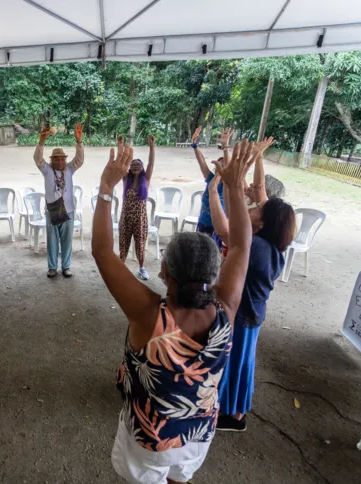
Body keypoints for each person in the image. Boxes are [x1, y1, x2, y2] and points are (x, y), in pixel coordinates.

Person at [93, 137, 258, 484]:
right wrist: (233, 187)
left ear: (165, 272)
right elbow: (242, 243)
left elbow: (102, 252)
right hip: (198, 434)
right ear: (214, 274)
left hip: (149, 438)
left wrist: (107, 187)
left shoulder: (148, 314)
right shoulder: (225, 308)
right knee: (179, 479)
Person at [209, 137, 297, 432]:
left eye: (260, 209)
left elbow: (224, 230)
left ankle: (231, 415)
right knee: (242, 362)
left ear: (264, 222)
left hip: (245, 316)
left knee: (235, 363)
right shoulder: (271, 243)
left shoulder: (256, 248)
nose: (256, 206)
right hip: (252, 314)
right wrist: (257, 157)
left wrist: (217, 189)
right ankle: (235, 412)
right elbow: (260, 192)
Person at [33, 122, 84, 278]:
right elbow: (37, 158)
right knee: (52, 241)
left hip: (68, 210)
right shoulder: (47, 170)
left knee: (67, 240)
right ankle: (52, 267)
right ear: (52, 160)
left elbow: (80, 160)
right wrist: (41, 142)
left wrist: (79, 141)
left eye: (62, 159)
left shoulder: (69, 169)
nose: (60, 162)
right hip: (52, 210)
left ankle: (66, 267)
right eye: (57, 159)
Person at [119, 134, 155, 280]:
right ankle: (121, 268)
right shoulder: (125, 179)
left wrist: (152, 147)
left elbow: (151, 164)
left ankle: (142, 268)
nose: (135, 166)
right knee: (123, 243)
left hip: (140, 219)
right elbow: (122, 163)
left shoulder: (145, 180)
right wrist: (120, 145)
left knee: (140, 244)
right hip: (126, 217)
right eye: (133, 165)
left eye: (138, 165)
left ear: (142, 168)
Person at [191, 126, 231, 248]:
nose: (220, 165)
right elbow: (201, 162)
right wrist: (195, 146)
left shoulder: (228, 184)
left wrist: (225, 148)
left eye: (224, 164)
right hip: (203, 223)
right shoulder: (210, 179)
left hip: (218, 227)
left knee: (212, 256)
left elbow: (229, 165)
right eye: (219, 163)